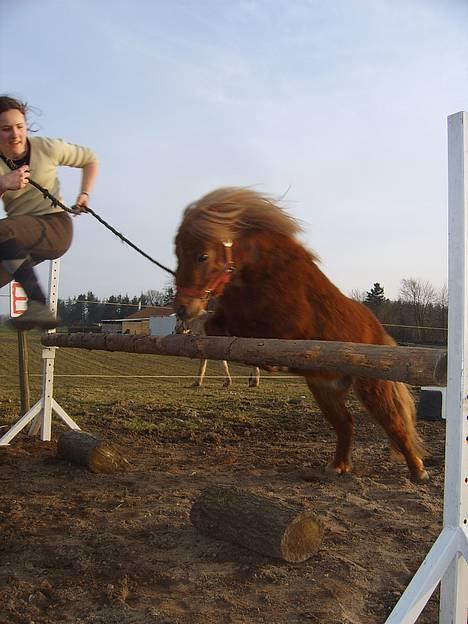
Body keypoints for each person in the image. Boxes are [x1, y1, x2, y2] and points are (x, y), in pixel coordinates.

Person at [0, 95, 98, 330]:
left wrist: (84, 194)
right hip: (16, 240)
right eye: (5, 129)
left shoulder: (47, 147)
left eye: (20, 127)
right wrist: (4, 183)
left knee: (2, 229)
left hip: (55, 227)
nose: (15, 135)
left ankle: (37, 304)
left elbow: (90, 159)